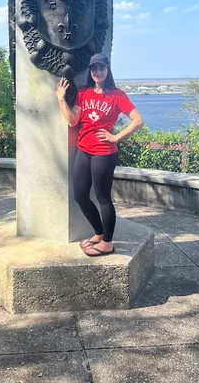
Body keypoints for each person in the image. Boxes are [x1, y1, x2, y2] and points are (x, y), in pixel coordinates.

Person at [56, 53, 144, 257]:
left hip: (104, 153)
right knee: (80, 195)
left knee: (103, 197)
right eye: (94, 69)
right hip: (84, 150)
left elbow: (138, 121)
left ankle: (107, 242)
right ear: (91, 71)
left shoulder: (117, 95)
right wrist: (61, 99)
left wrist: (116, 137)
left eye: (101, 68)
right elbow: (72, 121)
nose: (98, 72)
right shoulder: (84, 93)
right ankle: (98, 233)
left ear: (108, 70)